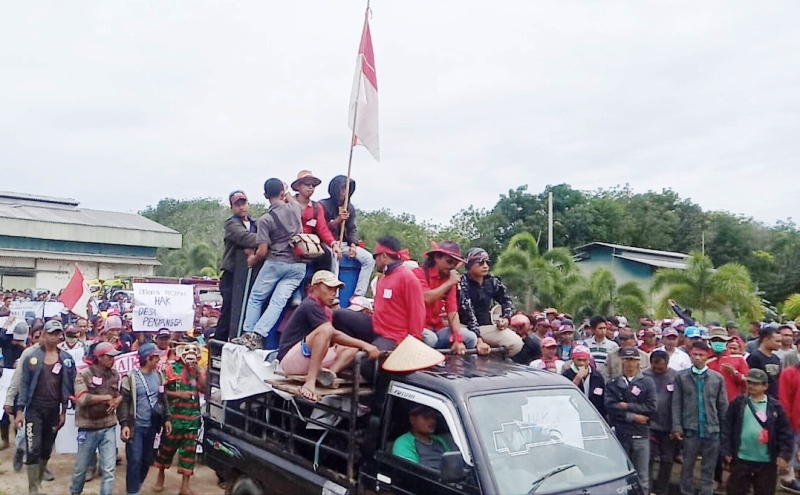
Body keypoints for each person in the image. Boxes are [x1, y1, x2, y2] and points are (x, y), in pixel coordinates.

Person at [277, 270, 379, 402]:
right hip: (290, 360)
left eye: (335, 289)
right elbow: (332, 333)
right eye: (329, 288)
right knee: (326, 330)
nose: (334, 293)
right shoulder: (310, 305)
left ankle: (329, 375)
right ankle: (310, 381)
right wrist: (365, 345)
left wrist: (359, 345)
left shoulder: (325, 310)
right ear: (315, 288)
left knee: (352, 348)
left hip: (308, 359)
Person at [242, 178, 306, 348]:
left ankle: (248, 334)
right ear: (282, 193)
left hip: (276, 263)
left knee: (256, 298)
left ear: (265, 195)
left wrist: (252, 260)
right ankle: (259, 334)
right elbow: (294, 201)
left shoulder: (265, 220)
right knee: (278, 302)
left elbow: (262, 251)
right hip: (299, 266)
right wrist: (287, 193)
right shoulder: (295, 208)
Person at [16, 320, 76, 495]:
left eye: (58, 334)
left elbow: (68, 386)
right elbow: (24, 385)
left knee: (46, 448)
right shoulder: (32, 357)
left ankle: (39, 480)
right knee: (33, 447)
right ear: (43, 335)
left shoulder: (66, 359)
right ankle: (33, 488)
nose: (55, 337)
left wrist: (64, 411)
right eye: (51, 333)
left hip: (53, 409)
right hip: (34, 409)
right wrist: (20, 411)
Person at [722, 369, 794, 495]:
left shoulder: (775, 406)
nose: (752, 386)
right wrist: (726, 450)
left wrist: (784, 455)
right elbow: (727, 427)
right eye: (749, 382)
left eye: (756, 383)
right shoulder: (738, 403)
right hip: (741, 458)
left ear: (765, 386)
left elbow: (785, 433)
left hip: (766, 461)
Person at [672, 341, 728, 495]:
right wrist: (676, 426)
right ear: (690, 355)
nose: (697, 358)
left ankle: (706, 492)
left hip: (712, 428)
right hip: (691, 428)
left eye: (701, 355)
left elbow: (723, 405)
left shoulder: (717, 378)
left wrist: (725, 430)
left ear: (707, 356)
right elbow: (676, 403)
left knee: (708, 467)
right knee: (687, 465)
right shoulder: (682, 377)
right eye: (694, 354)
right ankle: (686, 492)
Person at [153, 339, 206, 495]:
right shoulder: (169, 369)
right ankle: (160, 476)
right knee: (166, 449)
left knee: (189, 452)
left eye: (193, 353)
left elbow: (204, 388)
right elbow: (161, 392)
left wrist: (197, 370)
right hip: (174, 418)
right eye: (188, 352)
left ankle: (184, 486)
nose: (190, 356)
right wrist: (179, 394)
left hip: (192, 419)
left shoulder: (197, 370)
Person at [69, 342, 122, 495]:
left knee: (109, 470)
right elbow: (82, 398)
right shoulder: (84, 374)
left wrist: (118, 399)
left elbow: (117, 394)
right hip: (88, 426)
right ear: (99, 358)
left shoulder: (114, 374)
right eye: (109, 356)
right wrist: (106, 398)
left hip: (108, 425)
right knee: (81, 469)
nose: (113, 359)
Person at [119, 343, 172, 495]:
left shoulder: (159, 375)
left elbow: (163, 399)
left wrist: (167, 418)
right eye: (156, 357)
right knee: (134, 461)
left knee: (147, 460)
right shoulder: (130, 377)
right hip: (136, 426)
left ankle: (137, 486)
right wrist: (125, 424)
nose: (158, 360)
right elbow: (124, 403)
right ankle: (132, 491)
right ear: (148, 358)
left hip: (152, 426)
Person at [606, 346, 657, 495]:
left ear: (638, 362)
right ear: (621, 361)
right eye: (626, 359)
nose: (629, 363)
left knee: (642, 475)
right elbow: (611, 408)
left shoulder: (647, 382)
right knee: (620, 474)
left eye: (633, 360)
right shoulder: (613, 383)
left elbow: (652, 407)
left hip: (641, 434)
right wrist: (632, 416)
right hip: (621, 434)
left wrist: (627, 406)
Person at [414, 241, 479, 354]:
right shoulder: (419, 273)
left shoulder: (449, 279)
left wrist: (458, 338)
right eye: (449, 261)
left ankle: (453, 366)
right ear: (436, 258)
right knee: (430, 339)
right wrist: (449, 283)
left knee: (470, 337)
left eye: (455, 264)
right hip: (416, 328)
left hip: (436, 329)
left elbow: (452, 311)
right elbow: (426, 298)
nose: (452, 267)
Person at [457, 247, 522, 357]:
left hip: (485, 326)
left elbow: (506, 300)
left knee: (516, 343)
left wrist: (506, 318)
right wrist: (479, 340)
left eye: (487, 262)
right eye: (481, 263)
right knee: (470, 338)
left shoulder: (492, 281)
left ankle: (491, 360)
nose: (485, 265)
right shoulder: (461, 282)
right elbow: (468, 313)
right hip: (464, 326)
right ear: (469, 265)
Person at [319, 175, 375, 297]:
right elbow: (321, 229)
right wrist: (338, 220)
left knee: (368, 259)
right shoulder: (322, 205)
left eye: (347, 190)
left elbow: (352, 229)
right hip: (328, 244)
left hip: (344, 244)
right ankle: (335, 294)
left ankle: (358, 295)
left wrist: (353, 245)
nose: (345, 193)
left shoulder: (350, 208)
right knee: (334, 257)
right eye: (342, 189)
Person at [370, 237, 427, 352]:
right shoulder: (383, 278)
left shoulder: (407, 278)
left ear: (384, 256)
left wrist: (411, 342)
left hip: (394, 336)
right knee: (341, 316)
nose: (375, 261)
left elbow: (417, 313)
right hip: (376, 328)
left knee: (365, 362)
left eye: (375, 256)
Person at [218, 190, 259, 341]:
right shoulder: (231, 223)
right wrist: (265, 240)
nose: (241, 207)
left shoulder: (256, 223)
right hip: (232, 275)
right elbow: (245, 238)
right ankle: (219, 346)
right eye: (237, 204)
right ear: (232, 208)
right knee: (228, 312)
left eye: (244, 203)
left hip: (249, 275)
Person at [292, 170, 342, 276]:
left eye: (313, 185)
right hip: (290, 242)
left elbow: (322, 229)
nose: (311, 187)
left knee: (326, 254)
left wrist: (333, 244)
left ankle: (320, 284)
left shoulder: (316, 207)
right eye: (307, 184)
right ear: (298, 186)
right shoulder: (287, 204)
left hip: (310, 243)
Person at [644, 350, 678, 495]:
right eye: (655, 367)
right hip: (649, 424)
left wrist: (676, 426)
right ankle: (648, 488)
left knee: (667, 459)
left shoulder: (675, 376)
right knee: (648, 458)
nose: (658, 370)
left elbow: (678, 402)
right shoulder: (644, 375)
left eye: (661, 368)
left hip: (668, 425)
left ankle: (662, 490)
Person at [391, 405, 453, 470]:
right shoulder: (403, 443)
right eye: (426, 417)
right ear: (412, 419)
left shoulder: (439, 440)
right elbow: (412, 473)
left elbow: (452, 462)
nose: (432, 421)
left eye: (434, 417)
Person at [707, 326, 749, 403]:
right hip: (712, 403)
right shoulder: (706, 361)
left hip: (734, 403)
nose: (718, 342)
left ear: (727, 342)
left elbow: (748, 382)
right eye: (715, 340)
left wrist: (735, 373)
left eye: (721, 340)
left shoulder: (738, 359)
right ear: (709, 342)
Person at [562, 345, 605, 416]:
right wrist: (577, 378)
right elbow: (565, 397)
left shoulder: (597, 376)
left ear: (589, 360)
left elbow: (602, 401)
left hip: (594, 414)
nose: (581, 363)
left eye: (584, 360)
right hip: (573, 414)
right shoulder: (566, 375)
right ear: (573, 360)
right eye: (579, 360)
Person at [747, 324, 782, 399]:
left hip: (774, 399)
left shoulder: (776, 358)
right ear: (766, 339)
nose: (779, 344)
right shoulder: (754, 357)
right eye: (777, 341)